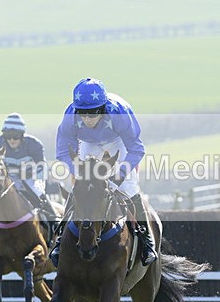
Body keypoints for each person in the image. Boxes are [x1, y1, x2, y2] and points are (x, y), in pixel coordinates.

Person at [50, 77, 157, 266]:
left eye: (92, 114)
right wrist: (80, 173)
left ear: (103, 108)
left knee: (130, 187)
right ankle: (60, 240)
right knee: (78, 188)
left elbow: (136, 149)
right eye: (83, 114)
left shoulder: (118, 113)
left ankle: (147, 241)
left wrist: (118, 177)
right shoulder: (70, 116)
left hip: (119, 141)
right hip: (89, 143)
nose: (87, 119)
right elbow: (62, 151)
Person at [0, 113, 57, 248]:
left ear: (22, 135)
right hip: (11, 177)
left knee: (37, 193)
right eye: (8, 136)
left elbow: (42, 167)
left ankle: (54, 221)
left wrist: (29, 173)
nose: (11, 140)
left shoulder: (35, 145)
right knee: (1, 198)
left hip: (32, 177)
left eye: (15, 136)